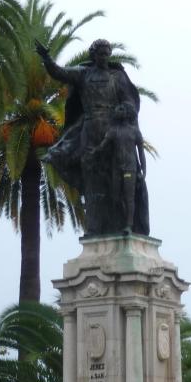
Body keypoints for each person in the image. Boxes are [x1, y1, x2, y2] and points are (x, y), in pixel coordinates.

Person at [35, 38, 145, 235]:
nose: (104, 57)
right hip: (90, 130)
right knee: (92, 181)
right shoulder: (83, 74)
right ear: (93, 55)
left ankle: (123, 225)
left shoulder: (117, 77)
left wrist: (125, 111)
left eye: (107, 54)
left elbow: (129, 102)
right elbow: (59, 72)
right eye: (100, 54)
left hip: (114, 134)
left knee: (117, 180)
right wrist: (46, 58)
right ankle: (94, 227)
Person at [89, 102, 148, 234]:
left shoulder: (135, 131)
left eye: (121, 109)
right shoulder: (113, 130)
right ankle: (120, 222)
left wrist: (144, 171)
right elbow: (102, 146)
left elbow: (141, 153)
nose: (117, 110)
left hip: (130, 168)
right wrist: (93, 152)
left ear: (127, 113)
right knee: (115, 196)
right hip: (117, 168)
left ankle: (129, 225)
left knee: (129, 197)